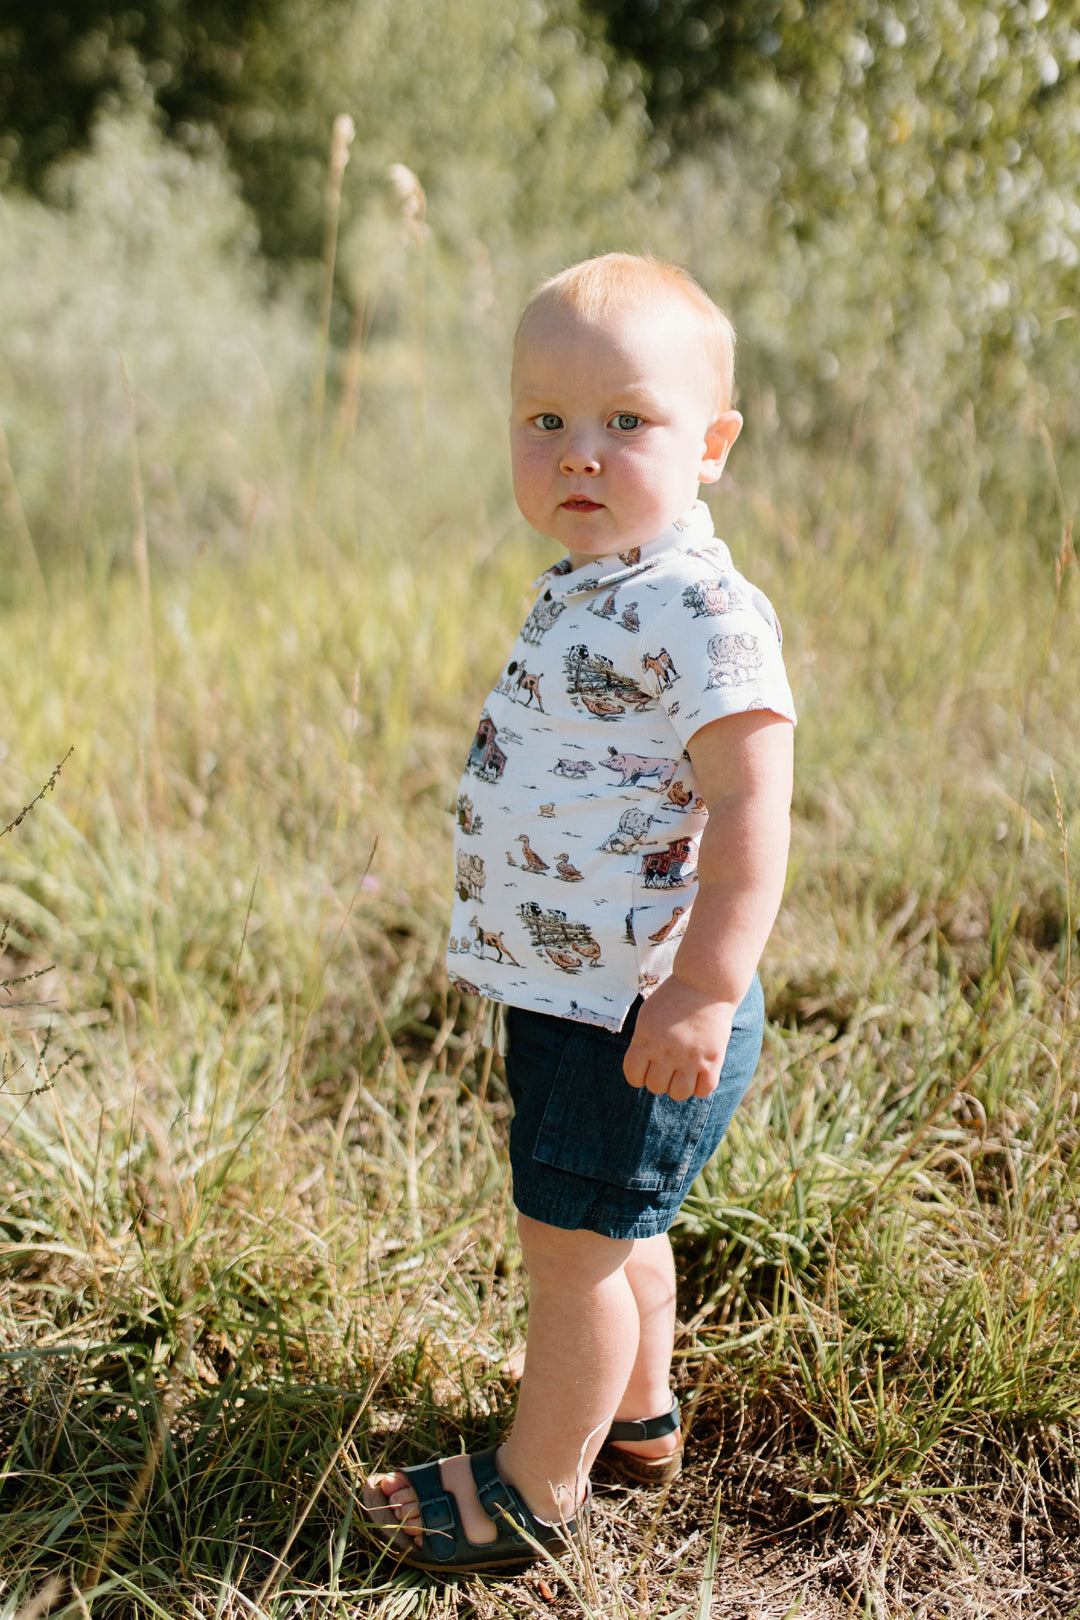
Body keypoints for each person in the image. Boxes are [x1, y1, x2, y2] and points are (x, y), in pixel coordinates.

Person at [363, 252, 795, 1572]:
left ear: (711, 445)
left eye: (627, 420)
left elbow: (752, 811)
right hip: (578, 992)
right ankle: (637, 1422)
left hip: (641, 1004)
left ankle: (534, 1492)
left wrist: (704, 990)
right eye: (545, 419)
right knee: (618, 1227)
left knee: (572, 1260)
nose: (579, 453)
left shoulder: (702, 609)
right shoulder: (599, 583)